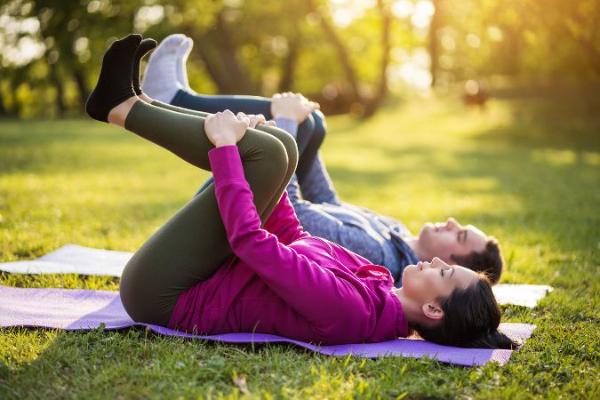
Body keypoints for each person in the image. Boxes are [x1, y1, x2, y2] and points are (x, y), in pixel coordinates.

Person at [85, 33, 515, 349]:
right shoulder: (380, 283)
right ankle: (136, 101)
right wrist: (267, 152)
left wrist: (228, 154)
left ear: (434, 311)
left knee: (266, 157)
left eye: (443, 271)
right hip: (200, 275)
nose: (435, 260)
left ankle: (122, 106)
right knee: (282, 148)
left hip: (164, 295)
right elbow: (294, 236)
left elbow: (251, 242)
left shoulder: (352, 310)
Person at [141, 34, 505, 285]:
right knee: (314, 122)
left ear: (452, 265)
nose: (452, 221)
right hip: (260, 201)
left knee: (293, 125)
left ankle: (172, 100)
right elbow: (327, 202)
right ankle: (175, 98)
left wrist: (285, 123)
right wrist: (302, 125)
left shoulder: (380, 254)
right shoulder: (394, 232)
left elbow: (293, 213)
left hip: (241, 215)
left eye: (459, 235)